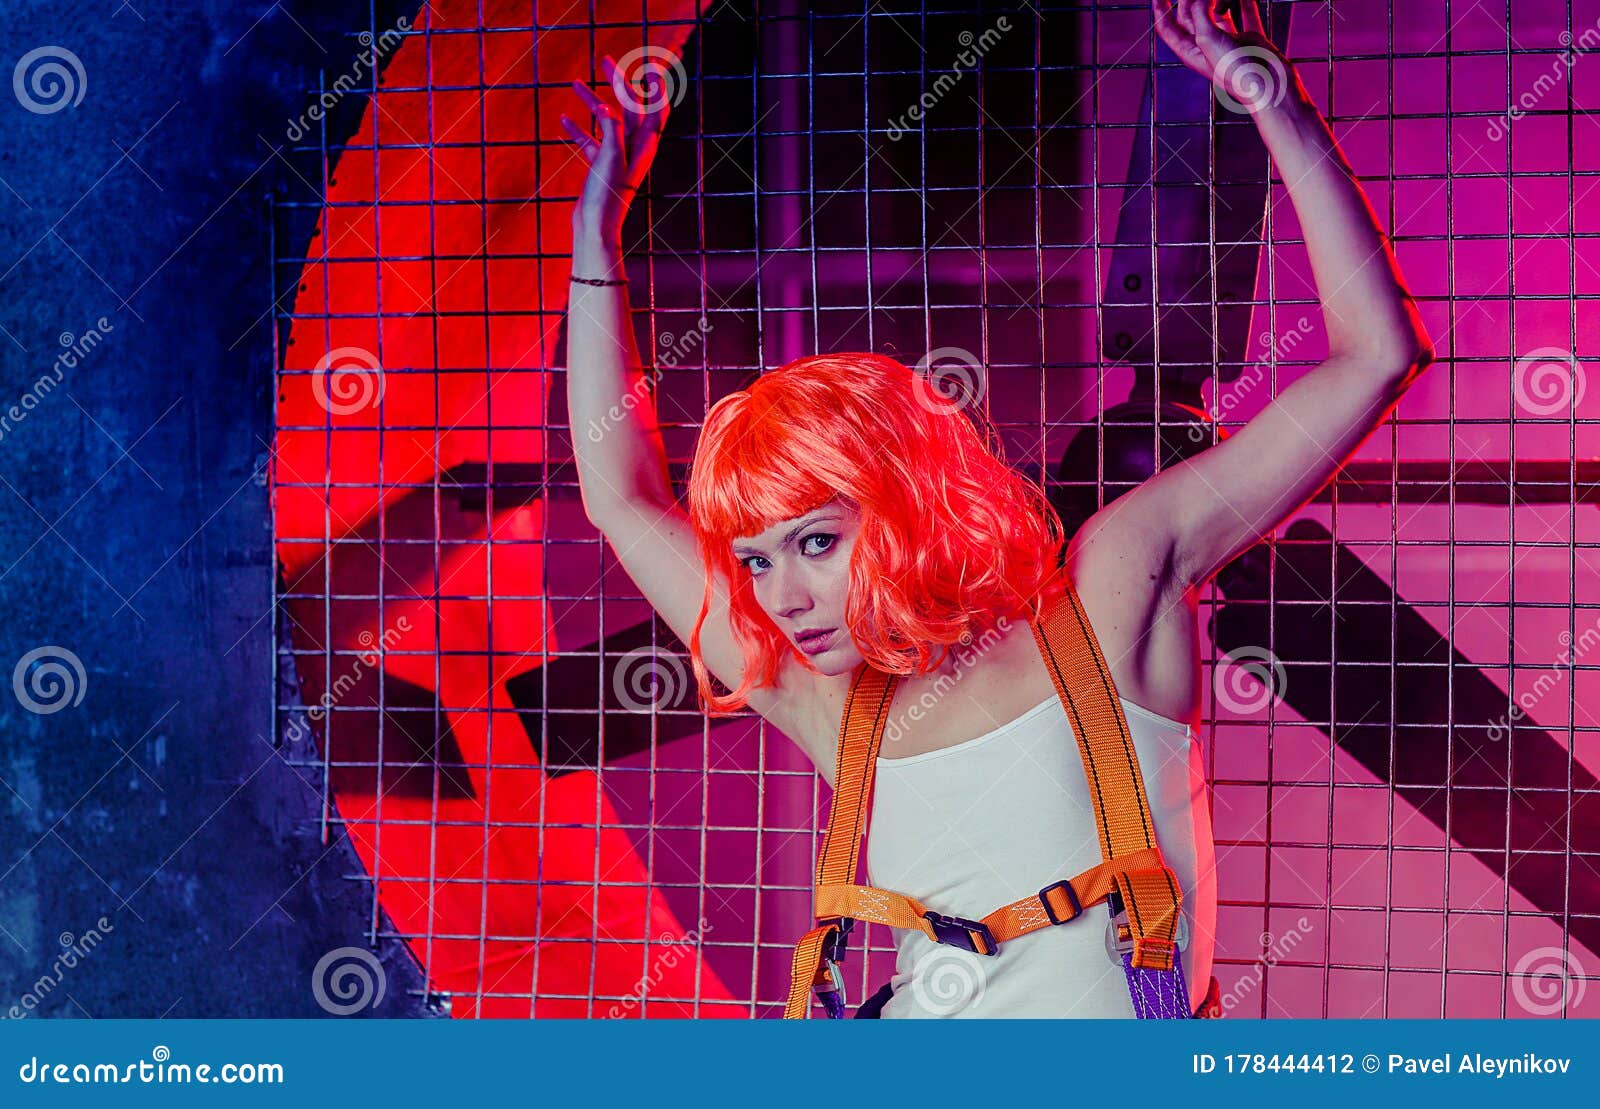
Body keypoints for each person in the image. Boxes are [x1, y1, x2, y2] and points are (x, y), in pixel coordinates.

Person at [558, 0, 1434, 1017]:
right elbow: (618, 497)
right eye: (754, 560)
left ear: (905, 505)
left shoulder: (1111, 592)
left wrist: (1268, 102)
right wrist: (598, 233)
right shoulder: (826, 700)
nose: (782, 595)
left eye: (813, 542)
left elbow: (1375, 355)